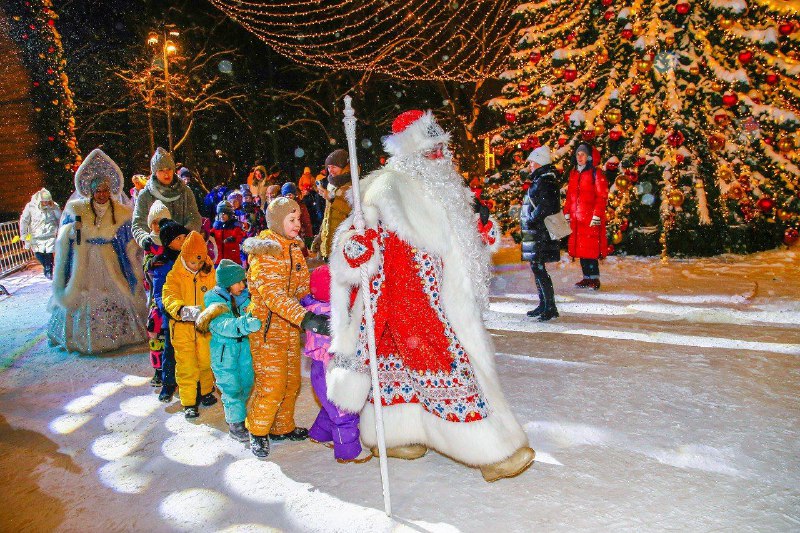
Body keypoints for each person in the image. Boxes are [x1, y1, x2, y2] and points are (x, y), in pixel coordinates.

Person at [326, 110, 534, 482]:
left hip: (443, 298)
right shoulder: (387, 186)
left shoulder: (445, 184)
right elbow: (351, 243)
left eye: (441, 146)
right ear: (409, 150)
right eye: (430, 147)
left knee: (409, 373)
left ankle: (398, 435)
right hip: (407, 299)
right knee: (450, 372)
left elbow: (456, 241)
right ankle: (489, 452)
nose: (439, 153)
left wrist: (481, 235)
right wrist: (358, 247)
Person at [242, 197, 328, 458]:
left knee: (291, 382)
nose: (297, 225)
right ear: (277, 222)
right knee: (272, 383)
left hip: (290, 327)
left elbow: (301, 288)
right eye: (291, 220)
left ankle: (281, 427)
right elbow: (274, 296)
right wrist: (306, 318)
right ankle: (257, 431)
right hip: (267, 330)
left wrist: (317, 300)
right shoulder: (267, 254)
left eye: (299, 219)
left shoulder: (294, 249)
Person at [48, 149, 147, 354]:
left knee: (118, 291)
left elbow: (127, 241)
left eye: (105, 190)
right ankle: (81, 338)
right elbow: (66, 236)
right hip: (85, 260)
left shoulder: (121, 212)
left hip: (109, 259)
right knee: (83, 293)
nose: (102, 194)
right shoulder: (78, 209)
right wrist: (72, 231)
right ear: (91, 192)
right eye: (98, 191)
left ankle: (120, 335)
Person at [302, 265, 370, 463]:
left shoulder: (313, 307)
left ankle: (320, 433)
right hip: (330, 369)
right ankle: (348, 452)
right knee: (343, 409)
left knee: (329, 404)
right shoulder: (331, 316)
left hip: (319, 369)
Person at [196, 259, 262, 442]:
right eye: (238, 282)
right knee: (231, 388)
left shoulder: (245, 298)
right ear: (226, 284)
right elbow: (223, 324)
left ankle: (239, 414)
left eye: (244, 281)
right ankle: (236, 424)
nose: (243, 285)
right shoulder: (213, 301)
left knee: (246, 383)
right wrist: (246, 323)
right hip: (224, 353)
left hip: (245, 350)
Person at [161, 231, 217, 418]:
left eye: (200, 262)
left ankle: (206, 391)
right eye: (193, 263)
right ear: (184, 258)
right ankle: (189, 401)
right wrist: (180, 309)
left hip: (204, 328)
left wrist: (212, 311)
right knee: (187, 366)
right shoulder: (175, 275)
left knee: (206, 361)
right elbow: (169, 296)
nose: (197, 266)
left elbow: (217, 294)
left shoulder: (208, 272)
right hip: (182, 329)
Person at [146, 219, 190, 400]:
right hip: (173, 314)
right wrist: (172, 308)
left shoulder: (190, 257)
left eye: (185, 237)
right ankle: (168, 383)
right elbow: (159, 293)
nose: (183, 241)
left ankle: (196, 383)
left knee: (193, 348)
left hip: (192, 309)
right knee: (171, 351)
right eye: (179, 238)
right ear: (168, 241)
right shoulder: (162, 263)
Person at [520, 146, 561, 321]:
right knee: (537, 268)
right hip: (536, 231)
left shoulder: (546, 181)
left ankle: (550, 307)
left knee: (539, 268)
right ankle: (544, 304)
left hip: (540, 231)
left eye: (532, 161)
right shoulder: (541, 179)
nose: (530, 165)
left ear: (540, 162)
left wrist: (531, 219)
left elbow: (545, 206)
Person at [132, 147, 202, 249]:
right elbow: (138, 224)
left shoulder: (185, 192)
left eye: (169, 169)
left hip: (183, 247)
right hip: (156, 249)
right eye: (161, 170)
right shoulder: (146, 195)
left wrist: (183, 235)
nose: (166, 173)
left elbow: (194, 218)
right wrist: (144, 239)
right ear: (155, 172)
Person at [564, 143, 608, 290]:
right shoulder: (574, 173)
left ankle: (594, 278)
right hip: (577, 220)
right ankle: (586, 277)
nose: (580, 157)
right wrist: (568, 213)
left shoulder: (596, 173)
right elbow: (570, 196)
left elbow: (601, 196)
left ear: (589, 157)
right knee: (581, 249)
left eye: (583, 154)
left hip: (589, 219)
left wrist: (597, 215)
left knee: (591, 250)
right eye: (578, 154)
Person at [318, 149, 353, 261]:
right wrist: (321, 237)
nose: (330, 170)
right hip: (332, 243)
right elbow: (329, 216)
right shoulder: (332, 185)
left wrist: (332, 198)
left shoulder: (352, 184)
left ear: (343, 166)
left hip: (344, 244)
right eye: (328, 167)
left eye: (333, 167)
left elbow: (347, 210)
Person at [19, 188, 61, 279]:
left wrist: (54, 208)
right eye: (44, 201)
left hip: (50, 234)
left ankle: (48, 270)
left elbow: (60, 218)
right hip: (36, 235)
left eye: (47, 201)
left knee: (49, 253)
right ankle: (46, 266)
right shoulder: (30, 207)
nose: (46, 203)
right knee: (38, 254)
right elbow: (24, 220)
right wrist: (23, 233)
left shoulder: (54, 206)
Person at [210, 201, 246, 266]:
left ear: (229, 215)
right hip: (218, 260)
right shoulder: (216, 227)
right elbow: (210, 234)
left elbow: (240, 235)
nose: (222, 216)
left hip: (232, 259)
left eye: (224, 214)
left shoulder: (234, 226)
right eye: (220, 214)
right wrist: (209, 236)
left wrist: (233, 238)